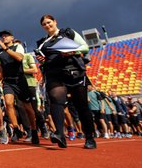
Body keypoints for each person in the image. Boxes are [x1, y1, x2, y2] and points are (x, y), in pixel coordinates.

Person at [35, 14, 96, 149]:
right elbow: (44, 58)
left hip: (73, 71)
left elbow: (84, 47)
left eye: (49, 22)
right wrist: (42, 60)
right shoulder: (42, 42)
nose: (47, 25)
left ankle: (90, 137)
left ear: (55, 22)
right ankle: (60, 135)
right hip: (54, 73)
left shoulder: (68, 33)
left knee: (81, 106)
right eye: (44, 24)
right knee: (56, 101)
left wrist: (72, 51)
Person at [0, 30, 38, 144]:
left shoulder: (18, 46)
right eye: (2, 36)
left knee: (27, 107)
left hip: (20, 80)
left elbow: (19, 58)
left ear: (12, 37)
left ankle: (34, 131)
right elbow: (2, 67)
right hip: (8, 81)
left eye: (6, 36)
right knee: (8, 103)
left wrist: (6, 49)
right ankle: (16, 129)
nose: (3, 37)